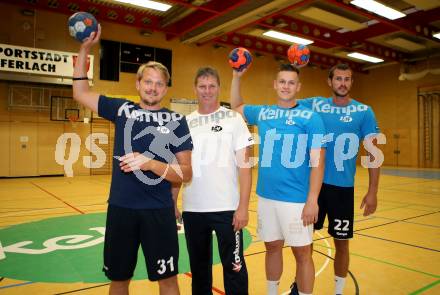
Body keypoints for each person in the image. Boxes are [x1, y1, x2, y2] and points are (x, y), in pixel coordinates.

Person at [72, 25, 193, 295]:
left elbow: (186, 173)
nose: (153, 87)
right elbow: (80, 93)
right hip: (121, 209)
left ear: (165, 88)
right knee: (119, 280)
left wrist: (150, 163)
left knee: (169, 280)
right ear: (138, 84)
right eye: (148, 81)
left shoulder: (176, 120)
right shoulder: (122, 109)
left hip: (158, 212)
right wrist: (84, 49)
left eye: (159, 83)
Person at [230, 64, 326, 295]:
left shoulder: (311, 118)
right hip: (266, 197)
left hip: (296, 200)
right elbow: (236, 106)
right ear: (275, 84)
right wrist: (236, 76)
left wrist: (312, 200)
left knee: (302, 253)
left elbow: (318, 162)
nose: (286, 86)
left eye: (291, 82)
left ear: (298, 87)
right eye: (282, 81)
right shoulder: (263, 112)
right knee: (272, 247)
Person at [292, 63, 381, 295]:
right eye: (338, 79)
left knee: (342, 243)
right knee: (305, 241)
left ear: (352, 82)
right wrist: (294, 69)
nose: (343, 83)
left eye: (347, 79)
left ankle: (339, 291)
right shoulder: (315, 104)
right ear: (329, 82)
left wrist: (373, 191)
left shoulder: (364, 111)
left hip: (343, 188)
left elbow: (373, 153)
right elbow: (288, 99)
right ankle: (300, 285)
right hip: (314, 187)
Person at [175, 67, 253, 295]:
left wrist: (243, 207)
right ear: (195, 89)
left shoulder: (234, 119)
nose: (207, 91)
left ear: (219, 88)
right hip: (193, 209)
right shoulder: (184, 123)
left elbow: (245, 167)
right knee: (199, 272)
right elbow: (180, 167)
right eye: (202, 86)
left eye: (212, 86)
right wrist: (173, 202)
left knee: (235, 268)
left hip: (228, 210)